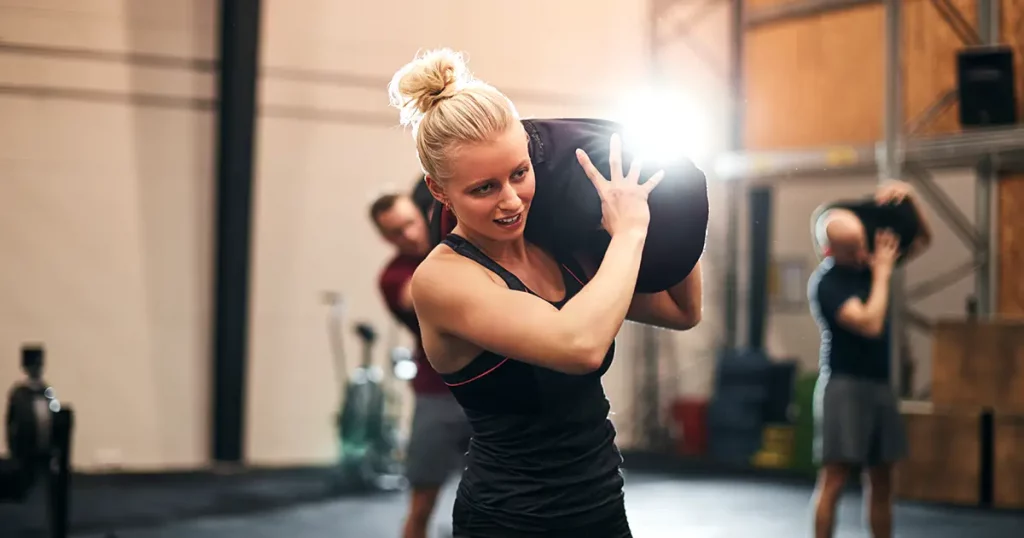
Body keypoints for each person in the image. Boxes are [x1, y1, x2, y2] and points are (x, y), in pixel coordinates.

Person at [387, 48, 704, 538]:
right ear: (439, 189)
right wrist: (629, 233)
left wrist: (674, 205)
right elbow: (578, 346)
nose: (511, 200)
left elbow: (682, 310)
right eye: (484, 188)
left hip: (601, 507)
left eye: (519, 173)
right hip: (510, 520)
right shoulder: (443, 279)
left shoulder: (559, 250)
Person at [807, 180, 933, 538]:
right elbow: (871, 322)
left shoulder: (866, 262)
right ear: (831, 251)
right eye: (854, 248)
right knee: (834, 479)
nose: (864, 251)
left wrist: (911, 195)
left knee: (882, 480)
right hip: (843, 386)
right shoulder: (827, 283)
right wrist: (881, 274)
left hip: (878, 383)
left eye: (864, 242)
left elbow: (923, 239)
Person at [370, 192, 473, 538]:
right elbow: (427, 293)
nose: (410, 235)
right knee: (422, 502)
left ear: (423, 214)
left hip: (489, 389)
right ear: (386, 238)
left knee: (506, 500)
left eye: (412, 224)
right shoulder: (393, 277)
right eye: (397, 232)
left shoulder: (456, 248)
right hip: (437, 394)